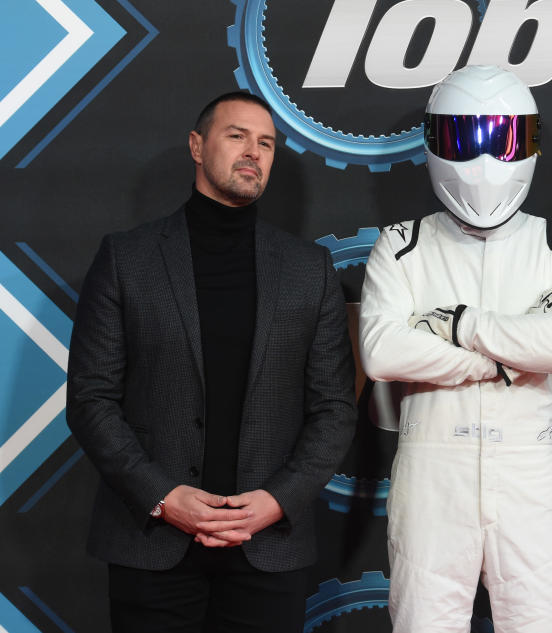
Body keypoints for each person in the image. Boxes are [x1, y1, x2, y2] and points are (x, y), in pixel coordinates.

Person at [66, 92, 357, 633]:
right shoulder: (127, 258)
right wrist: (161, 496)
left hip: (267, 547)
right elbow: (90, 399)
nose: (254, 151)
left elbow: (335, 408)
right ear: (197, 147)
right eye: (237, 136)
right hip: (152, 542)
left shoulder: (308, 270)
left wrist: (277, 500)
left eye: (266, 142)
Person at [359, 65, 552, 633]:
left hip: (529, 471)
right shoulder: (403, 245)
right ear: (435, 143)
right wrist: (507, 358)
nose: (486, 161)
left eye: (504, 138)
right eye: (465, 140)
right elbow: (381, 353)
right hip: (431, 474)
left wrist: (458, 324)